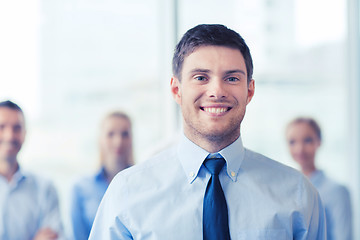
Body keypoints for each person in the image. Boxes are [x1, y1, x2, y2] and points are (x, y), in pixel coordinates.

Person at [89, 24, 326, 239]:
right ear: (176, 90)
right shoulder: (127, 192)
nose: (216, 91)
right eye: (201, 77)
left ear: (249, 91)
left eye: (232, 78)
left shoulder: (298, 194)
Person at [0, 100, 65, 240]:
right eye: (2, 127)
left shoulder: (45, 188)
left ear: (24, 134)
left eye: (16, 128)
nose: (9, 136)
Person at [70, 111, 134, 240]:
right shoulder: (80, 187)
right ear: (100, 139)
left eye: (124, 134)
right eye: (111, 134)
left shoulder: (142, 183)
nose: (118, 141)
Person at [286, 117, 352, 240]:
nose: (299, 148)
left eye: (307, 140)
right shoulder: (285, 190)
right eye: (292, 142)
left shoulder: (337, 191)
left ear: (319, 142)